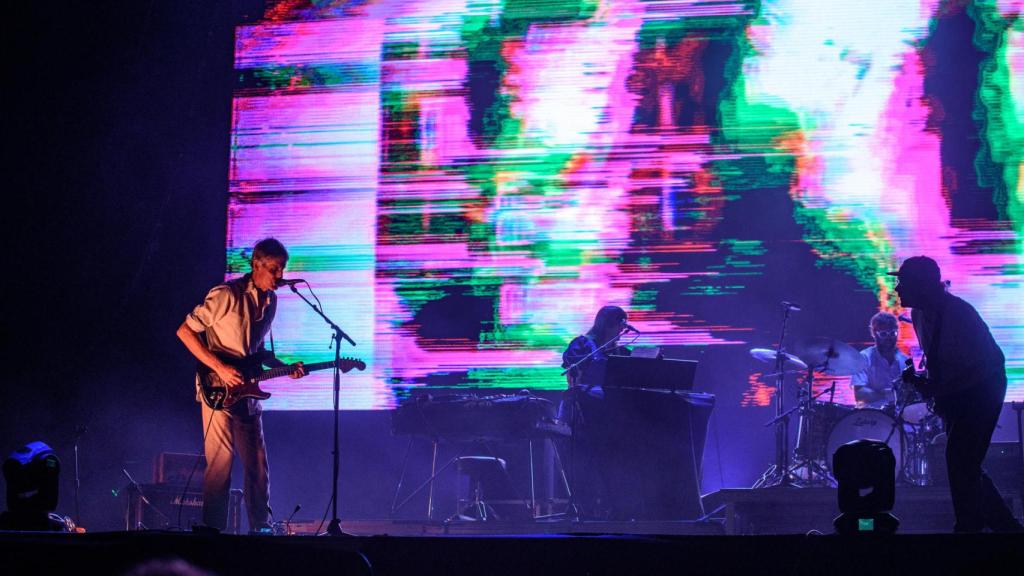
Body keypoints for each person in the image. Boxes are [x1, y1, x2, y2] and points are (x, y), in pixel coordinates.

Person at [176, 238, 306, 533]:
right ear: (256, 265)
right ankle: (213, 532)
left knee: (258, 466)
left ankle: (261, 527)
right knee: (220, 465)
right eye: (273, 269)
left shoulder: (271, 302)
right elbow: (185, 331)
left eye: (282, 269)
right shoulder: (227, 295)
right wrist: (220, 367)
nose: (279, 276)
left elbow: (259, 354)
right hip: (217, 389)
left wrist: (285, 368)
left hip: (247, 393)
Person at [891, 256, 1022, 532]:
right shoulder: (919, 314)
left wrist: (938, 389)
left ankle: (969, 528)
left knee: (959, 458)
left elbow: (977, 367)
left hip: (982, 388)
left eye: (902, 283)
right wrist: (926, 382)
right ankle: (1005, 527)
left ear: (921, 286)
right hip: (960, 391)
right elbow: (943, 362)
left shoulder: (959, 314)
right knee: (966, 462)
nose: (897, 289)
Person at [850, 312, 909, 410]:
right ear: (873, 333)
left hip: (899, 415)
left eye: (892, 333)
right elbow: (859, 394)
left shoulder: (905, 360)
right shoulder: (864, 358)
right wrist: (887, 394)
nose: (889, 338)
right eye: (883, 334)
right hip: (871, 415)